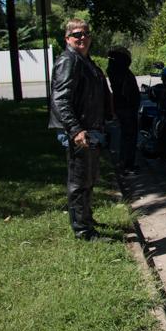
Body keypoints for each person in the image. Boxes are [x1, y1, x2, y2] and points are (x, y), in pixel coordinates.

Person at [49, 18, 112, 240]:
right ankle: (83, 231)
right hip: (78, 130)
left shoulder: (84, 60)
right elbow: (60, 99)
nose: (82, 37)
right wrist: (75, 130)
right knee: (79, 181)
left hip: (91, 127)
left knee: (89, 178)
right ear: (67, 38)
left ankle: (86, 218)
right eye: (77, 34)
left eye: (85, 33)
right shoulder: (68, 61)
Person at [106, 46, 141, 174]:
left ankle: (126, 164)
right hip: (126, 107)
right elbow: (126, 90)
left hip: (125, 106)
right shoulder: (120, 70)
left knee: (128, 136)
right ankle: (126, 165)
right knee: (129, 136)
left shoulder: (115, 69)